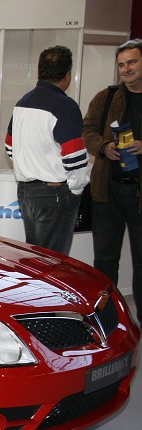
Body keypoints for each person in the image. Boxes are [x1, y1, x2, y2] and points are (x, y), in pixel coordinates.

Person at [5, 45, 89, 255]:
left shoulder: (23, 102)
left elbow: (10, 147)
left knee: (36, 259)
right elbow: (75, 158)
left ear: (39, 71)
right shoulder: (65, 106)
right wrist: (76, 190)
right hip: (55, 193)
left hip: (26, 192)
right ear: (68, 75)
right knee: (53, 262)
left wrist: (32, 163)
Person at [83, 39, 142, 324]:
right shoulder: (105, 98)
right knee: (105, 262)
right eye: (121, 65)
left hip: (139, 195)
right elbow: (88, 131)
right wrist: (103, 146)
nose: (126, 69)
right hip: (107, 192)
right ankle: (107, 322)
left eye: (132, 62)